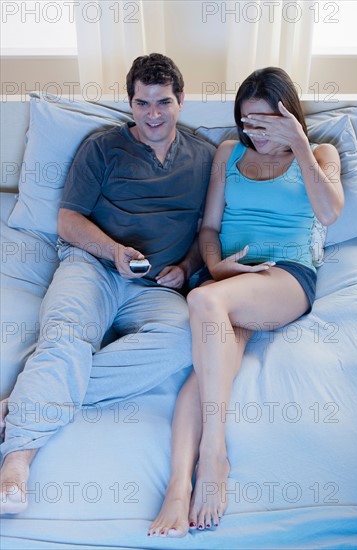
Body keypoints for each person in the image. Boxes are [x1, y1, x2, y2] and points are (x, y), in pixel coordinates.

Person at [0, 53, 215, 514]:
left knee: (183, 341)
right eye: (142, 103)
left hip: (157, 286)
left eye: (163, 103)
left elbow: (206, 231)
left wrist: (187, 264)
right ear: (131, 102)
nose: (152, 115)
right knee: (66, 334)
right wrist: (113, 251)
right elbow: (67, 220)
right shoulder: (102, 148)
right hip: (93, 265)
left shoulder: (203, 158)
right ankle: (16, 462)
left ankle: (24, 399)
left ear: (182, 100)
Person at [148, 66, 344, 537]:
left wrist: (297, 142)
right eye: (246, 122)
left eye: (264, 122)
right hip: (229, 281)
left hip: (283, 278)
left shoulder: (319, 153)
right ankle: (178, 488)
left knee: (203, 304)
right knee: (203, 377)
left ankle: (214, 456)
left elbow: (330, 211)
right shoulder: (228, 153)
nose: (253, 133)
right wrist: (216, 269)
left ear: (288, 116)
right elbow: (209, 229)